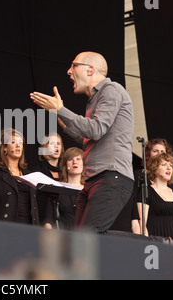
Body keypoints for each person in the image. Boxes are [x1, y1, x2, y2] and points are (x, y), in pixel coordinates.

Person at [30, 51, 134, 233]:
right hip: (94, 180)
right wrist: (57, 114)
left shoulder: (111, 90)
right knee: (80, 239)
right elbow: (84, 138)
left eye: (74, 65)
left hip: (112, 177)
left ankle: (138, 251)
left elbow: (95, 129)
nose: (69, 71)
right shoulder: (92, 100)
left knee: (87, 239)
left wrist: (61, 109)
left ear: (90, 70)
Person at [0, 128, 41, 226]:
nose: (18, 145)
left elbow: (35, 208)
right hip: (6, 226)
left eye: (21, 142)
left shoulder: (29, 174)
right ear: (5, 147)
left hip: (29, 226)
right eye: (13, 142)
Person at [137, 153, 173, 246]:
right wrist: (148, 246)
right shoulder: (146, 191)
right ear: (154, 168)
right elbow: (142, 224)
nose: (169, 168)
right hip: (156, 243)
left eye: (171, 165)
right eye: (164, 164)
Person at [46, 147, 85, 231]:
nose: (75, 162)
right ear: (66, 165)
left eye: (78, 159)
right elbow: (48, 219)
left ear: (83, 164)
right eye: (70, 159)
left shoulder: (90, 190)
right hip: (62, 235)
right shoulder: (57, 188)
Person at [32, 132, 64, 227]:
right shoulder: (37, 171)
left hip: (64, 222)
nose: (56, 146)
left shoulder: (65, 172)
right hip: (43, 221)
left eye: (58, 144)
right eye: (52, 144)